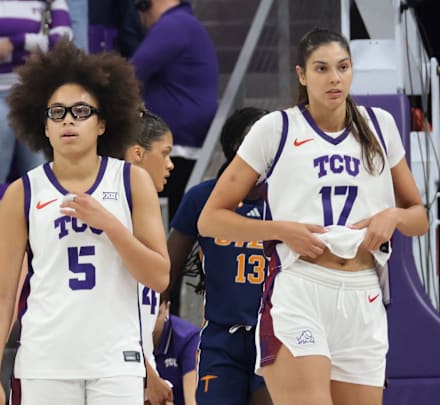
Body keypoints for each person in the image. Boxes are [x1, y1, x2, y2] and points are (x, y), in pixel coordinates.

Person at [197, 28, 428, 405]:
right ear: (302, 75)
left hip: (363, 293)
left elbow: (418, 215)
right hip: (301, 289)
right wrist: (280, 230)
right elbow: (211, 219)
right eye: (321, 68)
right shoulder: (276, 128)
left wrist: (394, 218)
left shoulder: (380, 125)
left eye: (343, 67)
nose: (334, 78)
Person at [0, 39, 170, 405]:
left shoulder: (132, 181)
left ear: (102, 124)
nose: (68, 119)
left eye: (81, 111)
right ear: (45, 128)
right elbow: (2, 294)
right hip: (44, 363)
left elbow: (159, 277)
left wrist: (112, 226)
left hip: (116, 362)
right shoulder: (23, 192)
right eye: (57, 112)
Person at [167, 107, 273, 405]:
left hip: (274, 333)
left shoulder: (287, 199)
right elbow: (167, 272)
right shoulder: (203, 198)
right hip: (221, 339)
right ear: (239, 147)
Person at [132, 0, 219, 223]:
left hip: (175, 147)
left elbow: (129, 75)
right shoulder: (185, 24)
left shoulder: (175, 25)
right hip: (182, 145)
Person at [0, 0, 73, 184]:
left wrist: (14, 42)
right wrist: (32, 52)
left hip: (37, 96)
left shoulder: (53, 2)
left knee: (39, 172)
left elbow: (63, 42)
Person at [123, 109, 175, 405]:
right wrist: (147, 375)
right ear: (137, 153)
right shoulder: (118, 214)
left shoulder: (144, 215)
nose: (170, 165)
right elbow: (108, 315)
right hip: (120, 370)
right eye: (165, 153)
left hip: (138, 367)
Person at [152, 298, 200, 405]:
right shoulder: (127, 336)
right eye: (147, 315)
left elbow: (191, 400)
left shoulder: (188, 338)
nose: (151, 323)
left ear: (167, 309)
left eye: (157, 314)